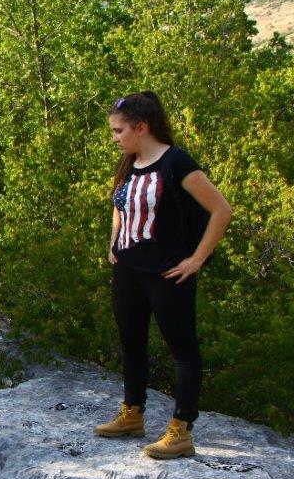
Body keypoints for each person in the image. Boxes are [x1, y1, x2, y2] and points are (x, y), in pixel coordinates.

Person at [95, 91, 232, 459]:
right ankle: (132, 414)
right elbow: (119, 206)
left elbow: (221, 210)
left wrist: (197, 259)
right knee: (131, 343)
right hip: (129, 271)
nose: (115, 138)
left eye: (119, 130)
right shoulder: (129, 163)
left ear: (142, 127)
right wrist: (114, 244)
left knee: (182, 351)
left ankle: (181, 429)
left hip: (167, 273)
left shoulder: (176, 163)